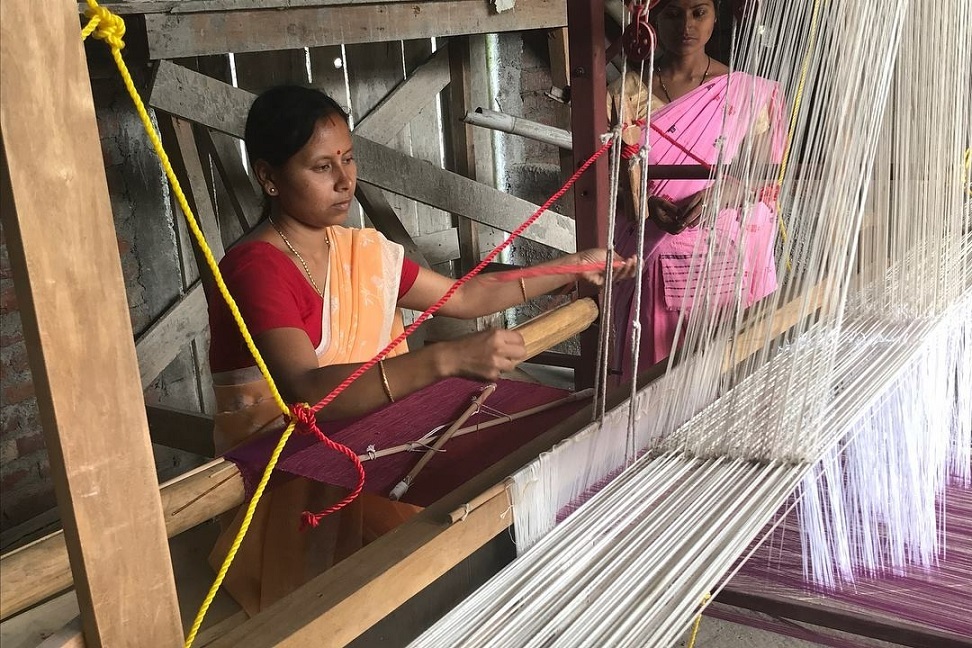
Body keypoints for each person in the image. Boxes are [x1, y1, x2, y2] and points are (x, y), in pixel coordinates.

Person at [206, 84, 636, 614]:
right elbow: (309, 392)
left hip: (374, 451)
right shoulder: (256, 268)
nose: (346, 181)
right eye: (322, 168)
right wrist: (446, 360)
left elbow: (468, 296)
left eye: (348, 159)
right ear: (269, 177)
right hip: (294, 479)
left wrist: (570, 269)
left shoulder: (359, 251)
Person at [610, 0, 786, 379]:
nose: (686, 25)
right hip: (658, 254)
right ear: (654, 19)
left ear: (715, 16)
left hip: (726, 258)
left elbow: (765, 181)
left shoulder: (749, 94)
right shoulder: (625, 94)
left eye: (698, 12)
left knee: (730, 372)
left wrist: (721, 194)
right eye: (673, 13)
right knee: (658, 381)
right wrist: (644, 204)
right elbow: (614, 182)